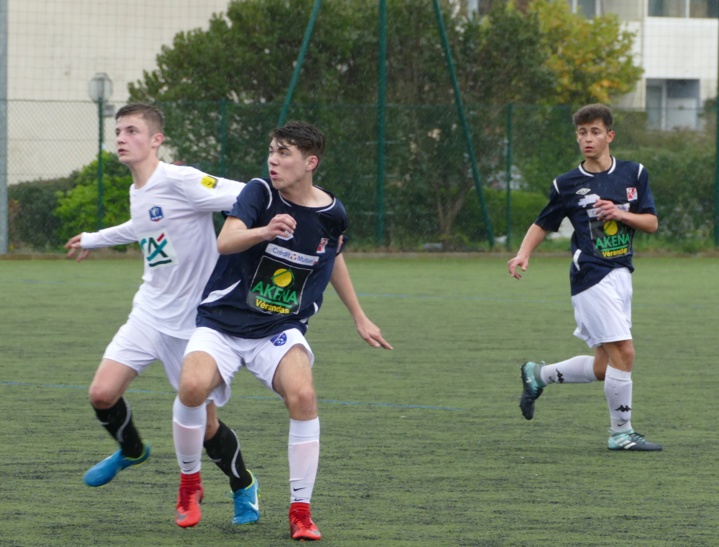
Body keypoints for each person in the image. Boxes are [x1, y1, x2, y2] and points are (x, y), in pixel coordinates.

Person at [171, 120, 393, 540]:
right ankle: (189, 485)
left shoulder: (333, 212)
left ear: (310, 162)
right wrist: (266, 230)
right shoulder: (259, 192)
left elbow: (333, 258)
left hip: (279, 326)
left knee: (304, 395)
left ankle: (301, 510)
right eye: (272, 150)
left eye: (284, 153)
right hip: (222, 322)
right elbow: (227, 240)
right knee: (192, 387)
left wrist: (359, 316)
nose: (273, 160)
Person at [65, 103, 258, 524]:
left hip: (195, 325)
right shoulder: (139, 190)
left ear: (156, 140)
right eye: (118, 131)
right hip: (149, 313)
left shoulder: (182, 179)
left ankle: (242, 485)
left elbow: (247, 194)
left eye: (132, 130)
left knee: (206, 427)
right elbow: (144, 227)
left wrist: (266, 228)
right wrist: (95, 238)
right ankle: (132, 450)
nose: (120, 137)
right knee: (101, 394)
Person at [507, 103, 662, 452]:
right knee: (625, 351)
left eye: (594, 132)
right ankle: (621, 432)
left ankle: (537, 375)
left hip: (622, 274)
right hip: (590, 276)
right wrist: (523, 253)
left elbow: (651, 222)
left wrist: (621, 214)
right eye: (581, 132)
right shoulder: (566, 183)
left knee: (606, 367)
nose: (587, 139)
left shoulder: (634, 173)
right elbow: (543, 222)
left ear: (610, 135)